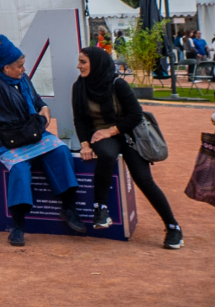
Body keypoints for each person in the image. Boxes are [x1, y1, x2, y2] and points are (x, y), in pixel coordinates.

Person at [0, 35, 87, 247]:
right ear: (6, 67)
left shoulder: (22, 79)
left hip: (32, 132)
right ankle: (18, 226)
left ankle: (69, 208)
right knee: (20, 169)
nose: (24, 69)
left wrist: (44, 109)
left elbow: (37, 100)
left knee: (61, 151)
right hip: (9, 139)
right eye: (20, 66)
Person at [72, 45, 183, 249]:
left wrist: (110, 131)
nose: (78, 66)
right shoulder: (79, 86)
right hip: (100, 135)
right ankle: (101, 209)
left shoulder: (118, 84)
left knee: (144, 180)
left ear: (96, 63)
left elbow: (135, 115)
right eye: (79, 61)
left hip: (127, 133)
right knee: (106, 155)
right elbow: (79, 119)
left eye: (83, 62)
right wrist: (85, 144)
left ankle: (173, 226)